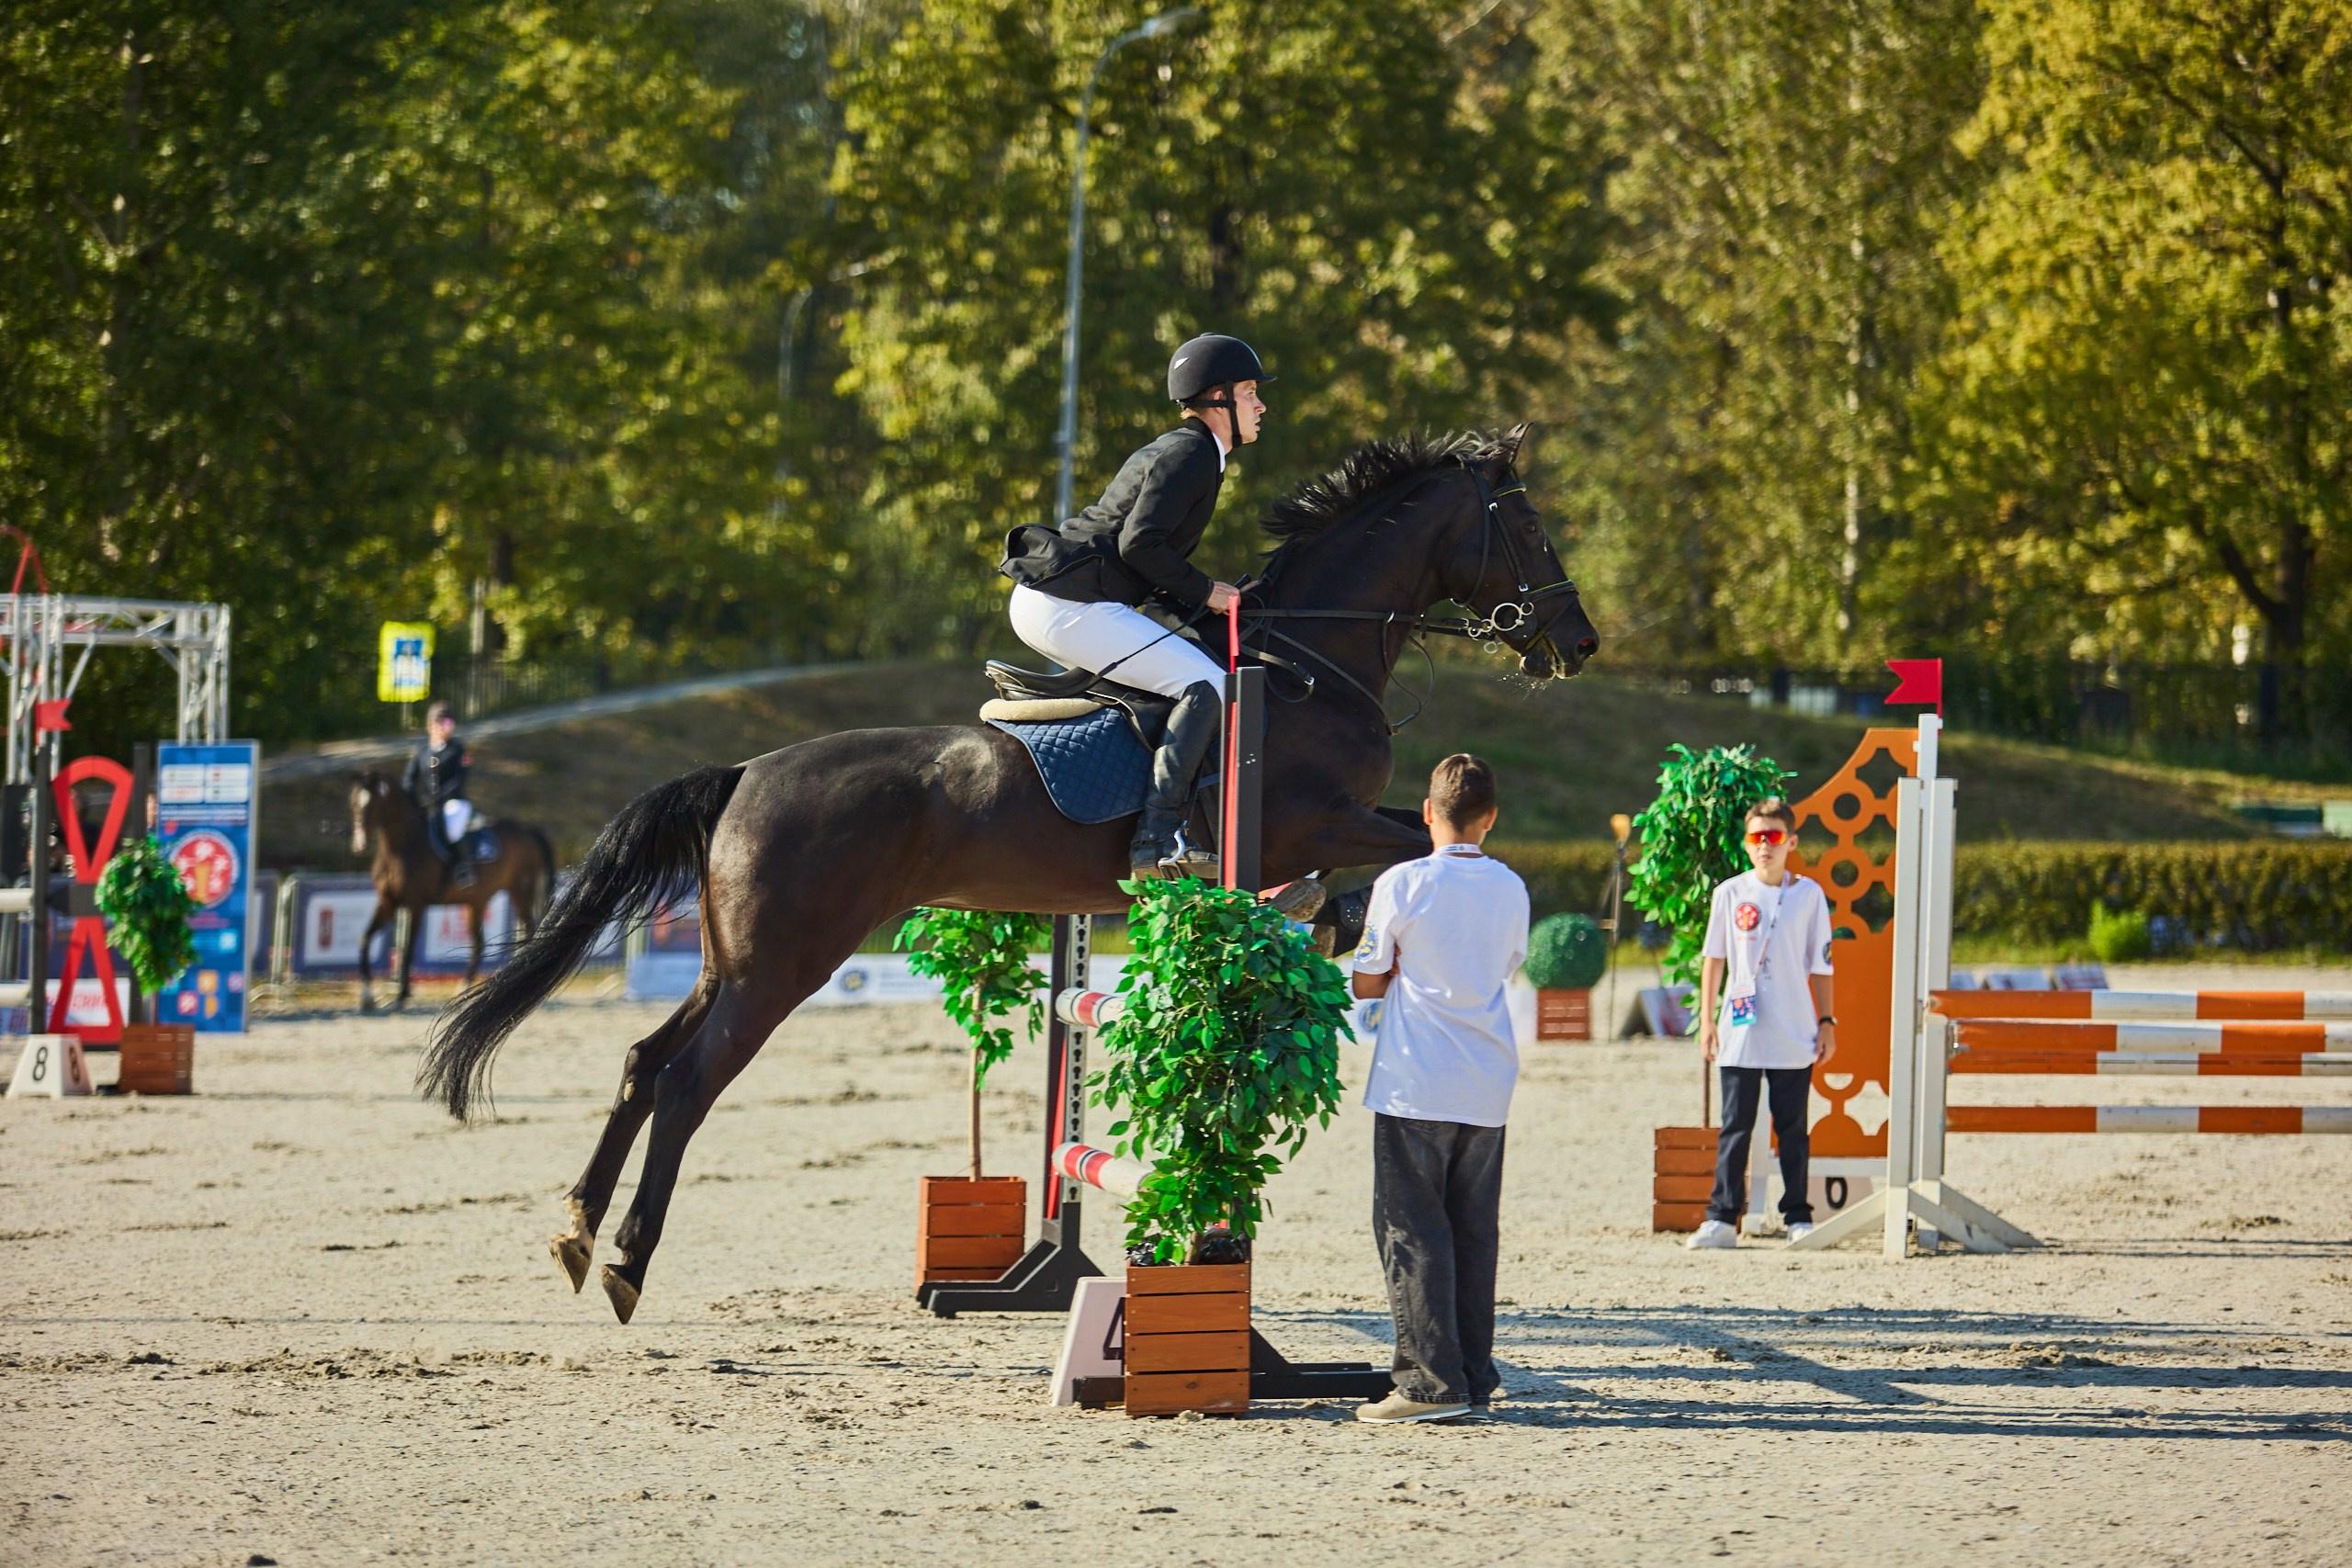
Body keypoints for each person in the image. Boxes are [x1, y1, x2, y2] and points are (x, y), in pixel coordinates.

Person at [998, 333, 1271, 876]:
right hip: (1068, 604)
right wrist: (1205, 591)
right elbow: (1140, 545)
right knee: (1208, 685)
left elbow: (1145, 554)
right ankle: (1157, 836)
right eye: (1248, 392)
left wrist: (1197, 599)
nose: (1260, 405)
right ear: (1217, 398)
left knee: (1188, 671)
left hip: (1063, 599)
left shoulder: (1192, 452)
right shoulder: (1192, 453)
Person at [1349, 754, 1530, 1424]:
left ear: (1428, 812)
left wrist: (1395, 970)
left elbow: (1368, 979)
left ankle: (1430, 1384)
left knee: (1411, 1230)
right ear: (1491, 819)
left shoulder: (1403, 882)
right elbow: (1506, 964)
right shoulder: (1512, 886)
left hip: (1415, 1078)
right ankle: (1475, 1373)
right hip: (1488, 1077)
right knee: (1473, 1231)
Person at [1685, 797, 1838, 1249]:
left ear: (1791, 841)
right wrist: (1708, 1019)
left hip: (1794, 1026)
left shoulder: (1808, 895)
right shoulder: (1729, 893)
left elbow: (1822, 965)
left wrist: (1827, 1021)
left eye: (1773, 837)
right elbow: (1714, 958)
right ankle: (1722, 1218)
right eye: (1756, 837)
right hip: (1740, 1027)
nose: (1764, 846)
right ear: (1746, 844)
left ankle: (1797, 1215)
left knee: (1792, 1127)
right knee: (1736, 1124)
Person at [403, 701, 477, 889]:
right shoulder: (421, 750)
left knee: (452, 826)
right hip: (426, 803)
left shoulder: (458, 750)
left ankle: (462, 867)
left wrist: (440, 797)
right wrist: (412, 798)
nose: (445, 728)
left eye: (448, 724)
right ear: (430, 726)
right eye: (440, 723)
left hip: (452, 802)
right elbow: (409, 778)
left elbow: (459, 780)